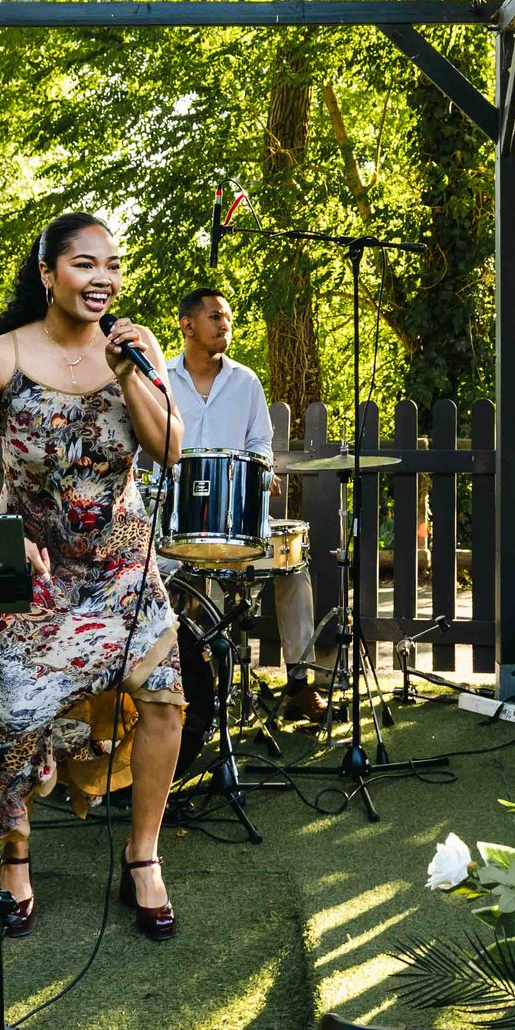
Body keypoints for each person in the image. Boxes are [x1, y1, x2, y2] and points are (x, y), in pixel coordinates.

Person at [0, 213, 186, 941]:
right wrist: (4, 537)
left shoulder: (136, 349)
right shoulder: (2, 357)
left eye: (111, 264)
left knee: (166, 699)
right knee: (13, 722)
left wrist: (135, 367)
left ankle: (144, 856)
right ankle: (14, 860)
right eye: (83, 264)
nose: (101, 278)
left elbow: (169, 449)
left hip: (122, 566)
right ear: (48, 274)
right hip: (36, 572)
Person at [166, 286, 331, 724]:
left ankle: (299, 684)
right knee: (172, 578)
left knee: (293, 566)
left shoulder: (245, 381)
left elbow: (260, 441)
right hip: (177, 523)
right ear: (187, 325)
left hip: (238, 518)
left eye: (228, 318)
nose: (226, 325)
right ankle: (197, 690)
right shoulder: (160, 379)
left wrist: (262, 468)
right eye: (216, 317)